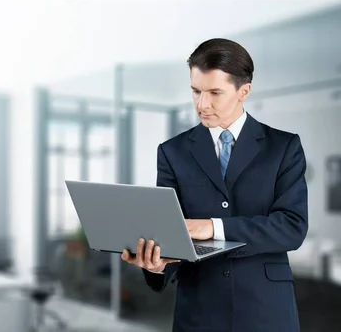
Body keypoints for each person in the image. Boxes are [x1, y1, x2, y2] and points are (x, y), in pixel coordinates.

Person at [121, 38, 308, 331]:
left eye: (214, 93)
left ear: (243, 91)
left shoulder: (283, 147)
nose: (201, 104)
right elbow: (170, 231)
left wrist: (214, 226)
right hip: (198, 309)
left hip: (266, 309)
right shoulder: (172, 152)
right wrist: (158, 265)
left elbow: (292, 227)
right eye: (195, 91)